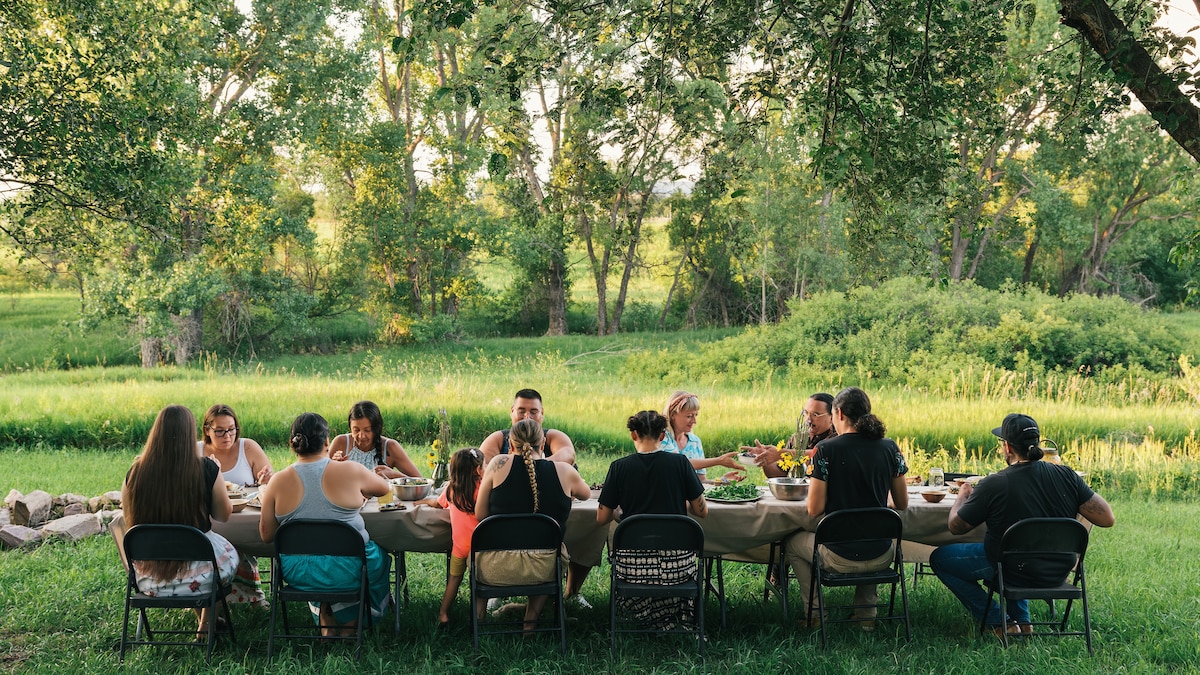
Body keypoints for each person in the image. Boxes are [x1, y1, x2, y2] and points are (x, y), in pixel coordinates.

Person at [930, 413, 1115, 637]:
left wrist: (963, 495)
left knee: (940, 559)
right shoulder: (1066, 474)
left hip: (1012, 569)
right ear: (1037, 444)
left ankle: (1000, 622)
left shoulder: (995, 483)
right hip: (1058, 568)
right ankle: (1023, 623)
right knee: (1018, 553)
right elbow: (1107, 519)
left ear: (1007, 447)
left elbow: (956, 527)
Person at [785, 387, 909, 630]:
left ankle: (815, 614)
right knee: (870, 529)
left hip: (838, 557)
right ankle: (866, 616)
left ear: (838, 413)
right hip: (883, 555)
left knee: (792, 542)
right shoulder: (890, 447)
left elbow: (814, 509)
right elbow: (901, 503)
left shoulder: (826, 451)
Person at [259, 412, 393, 637]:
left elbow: (266, 535)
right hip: (350, 568)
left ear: (293, 445)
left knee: (316, 558)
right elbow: (384, 488)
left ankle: (326, 618)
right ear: (326, 442)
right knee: (377, 558)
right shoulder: (351, 470)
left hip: (297, 572)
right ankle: (352, 623)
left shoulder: (277, 481)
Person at [121, 405, 237, 638]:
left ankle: (205, 621)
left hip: (148, 579)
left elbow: (128, 518)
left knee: (203, 555)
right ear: (189, 434)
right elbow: (224, 515)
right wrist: (217, 473)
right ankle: (206, 625)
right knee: (225, 556)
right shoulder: (206, 468)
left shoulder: (135, 471)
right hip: (199, 578)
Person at [475, 419, 590, 632]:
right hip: (544, 570)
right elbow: (586, 493)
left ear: (510, 443)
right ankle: (531, 619)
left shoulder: (497, 464)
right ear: (544, 443)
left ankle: (480, 620)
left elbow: (480, 514)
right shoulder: (564, 470)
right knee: (549, 552)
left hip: (494, 568)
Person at [598, 410, 708, 629]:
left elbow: (602, 517)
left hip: (633, 569)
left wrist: (623, 515)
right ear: (662, 436)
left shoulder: (619, 467)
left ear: (633, 435)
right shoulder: (681, 464)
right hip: (677, 568)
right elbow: (702, 511)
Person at [198, 403, 273, 606]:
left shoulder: (247, 447)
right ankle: (219, 596)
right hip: (211, 516)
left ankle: (249, 594)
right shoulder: (197, 451)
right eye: (220, 431)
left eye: (231, 429)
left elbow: (269, 480)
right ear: (207, 430)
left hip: (246, 511)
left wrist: (264, 479)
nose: (227, 436)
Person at [415, 447, 484, 628]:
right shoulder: (482, 489)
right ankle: (479, 619)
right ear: (478, 470)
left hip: (460, 548)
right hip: (481, 548)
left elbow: (437, 504)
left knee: (454, 579)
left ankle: (443, 613)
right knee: (479, 580)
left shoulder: (452, 490)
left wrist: (422, 501)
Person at [741, 393, 838, 478]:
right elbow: (780, 474)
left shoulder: (838, 438)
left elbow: (820, 455)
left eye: (815, 415)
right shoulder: (797, 438)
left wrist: (782, 453)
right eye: (806, 413)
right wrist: (765, 458)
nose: (808, 419)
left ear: (832, 417)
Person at [660, 390, 744, 484]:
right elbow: (679, 464)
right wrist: (719, 460)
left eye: (696, 415)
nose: (694, 421)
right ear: (672, 415)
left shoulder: (695, 442)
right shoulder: (662, 438)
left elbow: (701, 481)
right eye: (689, 416)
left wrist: (722, 480)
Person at [329, 400, 422, 479]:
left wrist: (395, 475)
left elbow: (420, 482)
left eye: (367, 430)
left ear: (376, 428)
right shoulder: (341, 443)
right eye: (356, 430)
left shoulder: (390, 447)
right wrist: (334, 467)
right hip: (347, 500)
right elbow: (320, 480)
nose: (361, 436)